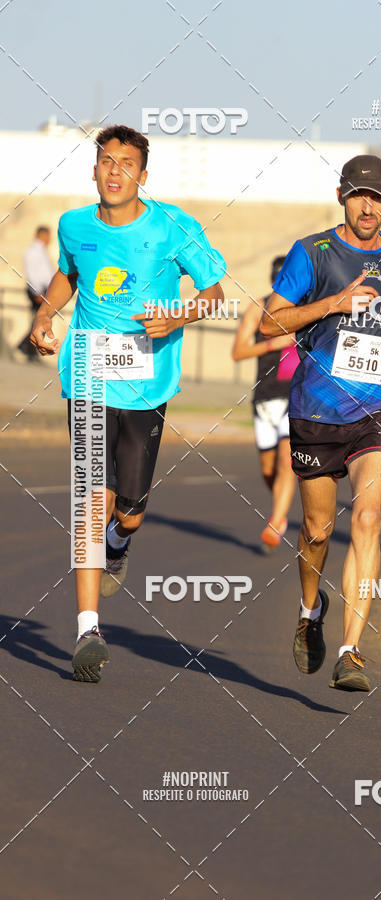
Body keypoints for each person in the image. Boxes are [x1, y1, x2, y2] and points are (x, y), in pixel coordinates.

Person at [29, 124, 226, 683]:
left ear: (143, 174)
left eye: (126, 164)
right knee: (92, 495)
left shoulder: (172, 227)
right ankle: (88, 628)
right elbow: (68, 277)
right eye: (105, 161)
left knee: (130, 509)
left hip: (147, 381)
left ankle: (120, 538)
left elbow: (215, 295)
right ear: (94, 169)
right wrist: (45, 316)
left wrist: (180, 314)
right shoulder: (73, 225)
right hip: (88, 372)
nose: (115, 172)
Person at [261, 154, 381, 692]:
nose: (368, 206)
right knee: (316, 532)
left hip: (380, 405)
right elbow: (271, 318)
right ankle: (310, 609)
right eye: (359, 195)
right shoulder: (312, 252)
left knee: (367, 518)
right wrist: (332, 304)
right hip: (317, 409)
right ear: (341, 194)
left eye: (378, 197)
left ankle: (351, 651)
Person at [232, 256, 299, 552]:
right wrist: (274, 344)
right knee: (268, 470)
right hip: (265, 397)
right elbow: (238, 352)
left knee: (287, 463)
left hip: (295, 397)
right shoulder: (258, 308)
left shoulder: (306, 311)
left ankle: (276, 520)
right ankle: (280, 508)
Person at [18, 226, 53, 361]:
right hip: (38, 290)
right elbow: (32, 274)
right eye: (48, 236)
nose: (50, 239)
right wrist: (38, 292)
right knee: (40, 320)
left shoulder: (41, 251)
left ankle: (29, 350)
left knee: (39, 320)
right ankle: (25, 347)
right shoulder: (33, 251)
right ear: (42, 235)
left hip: (43, 290)